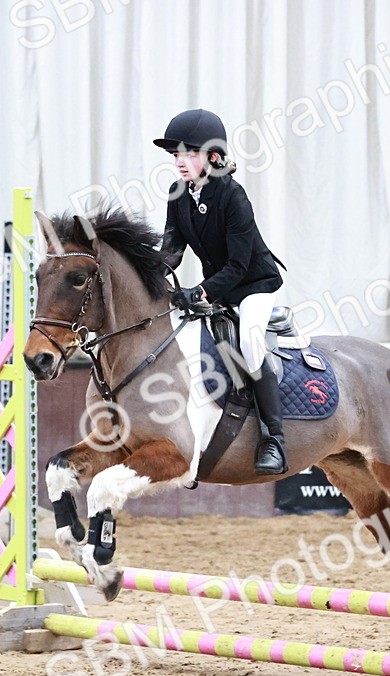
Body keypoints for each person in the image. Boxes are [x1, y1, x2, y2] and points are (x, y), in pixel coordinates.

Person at [154, 108, 288, 475]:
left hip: (253, 286)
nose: (179, 162)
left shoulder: (233, 196)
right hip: (219, 287)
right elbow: (172, 250)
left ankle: (274, 438)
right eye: (176, 155)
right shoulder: (177, 193)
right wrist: (149, 275)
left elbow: (239, 267)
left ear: (212, 156)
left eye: (188, 154)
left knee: (249, 343)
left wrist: (199, 292)